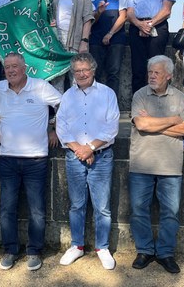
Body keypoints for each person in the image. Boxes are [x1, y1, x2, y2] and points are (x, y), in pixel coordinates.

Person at [0, 52, 61, 271]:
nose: (11, 70)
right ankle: (10, 250)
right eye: (7, 67)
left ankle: (34, 251)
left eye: (15, 66)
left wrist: (53, 127)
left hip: (36, 158)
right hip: (7, 158)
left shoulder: (41, 86)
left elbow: (63, 104)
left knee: (37, 210)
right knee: (6, 208)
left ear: (25, 69)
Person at [129, 55, 184, 274]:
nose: (152, 76)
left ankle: (165, 253)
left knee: (170, 212)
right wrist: (172, 120)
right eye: (150, 72)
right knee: (138, 210)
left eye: (156, 72)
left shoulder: (180, 98)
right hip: (141, 164)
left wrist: (154, 126)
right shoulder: (140, 95)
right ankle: (144, 250)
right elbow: (141, 123)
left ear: (169, 75)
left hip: (170, 166)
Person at [56, 53, 119, 269]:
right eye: (77, 71)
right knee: (76, 204)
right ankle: (77, 246)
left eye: (85, 70)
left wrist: (90, 147)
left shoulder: (107, 94)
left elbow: (111, 127)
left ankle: (102, 247)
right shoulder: (67, 96)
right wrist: (79, 149)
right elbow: (61, 126)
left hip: (101, 156)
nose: (81, 74)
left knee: (102, 207)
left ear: (93, 70)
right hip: (75, 157)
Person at [127, 0, 176, 93]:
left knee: (158, 67)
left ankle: (159, 102)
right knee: (137, 68)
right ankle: (138, 103)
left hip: (158, 26)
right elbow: (130, 12)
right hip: (136, 27)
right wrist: (139, 24)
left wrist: (149, 24)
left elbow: (166, 10)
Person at [51, 0, 94, 93]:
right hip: (57, 40)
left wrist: (84, 41)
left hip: (75, 40)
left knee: (77, 78)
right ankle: (60, 113)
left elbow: (88, 19)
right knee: (57, 79)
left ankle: (78, 113)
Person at [89, 0, 127, 97]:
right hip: (96, 39)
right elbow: (92, 20)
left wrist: (110, 33)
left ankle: (112, 106)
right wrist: (99, 12)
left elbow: (123, 16)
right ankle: (97, 105)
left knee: (114, 73)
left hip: (116, 38)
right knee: (95, 73)